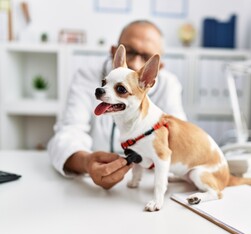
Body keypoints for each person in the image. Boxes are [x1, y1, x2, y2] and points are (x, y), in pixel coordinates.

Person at [48, 20, 187, 189]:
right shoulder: (86, 77)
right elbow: (68, 133)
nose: (136, 64)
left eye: (145, 58)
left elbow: (179, 139)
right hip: (86, 183)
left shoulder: (169, 84)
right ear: (114, 53)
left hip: (147, 181)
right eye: (130, 52)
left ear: (157, 68)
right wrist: (86, 162)